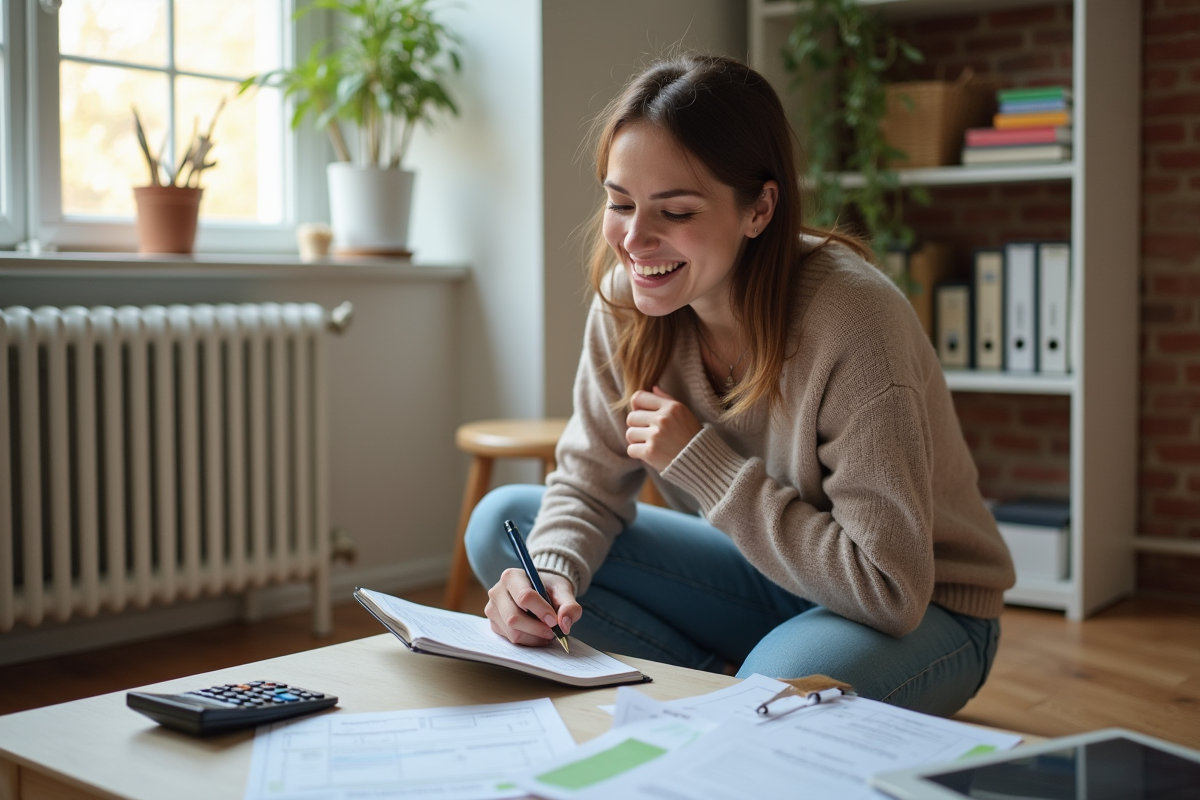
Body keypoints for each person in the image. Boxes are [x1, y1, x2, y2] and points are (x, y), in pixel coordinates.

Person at [464, 53, 1015, 716]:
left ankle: (741, 691)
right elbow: (586, 482)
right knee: (505, 525)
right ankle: (718, 691)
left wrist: (703, 463)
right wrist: (546, 578)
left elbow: (890, 589)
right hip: (769, 575)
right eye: (620, 203)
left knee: (771, 696)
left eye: (674, 212)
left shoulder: (853, 321)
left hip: (928, 609)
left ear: (758, 209)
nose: (635, 240)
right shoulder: (629, 302)